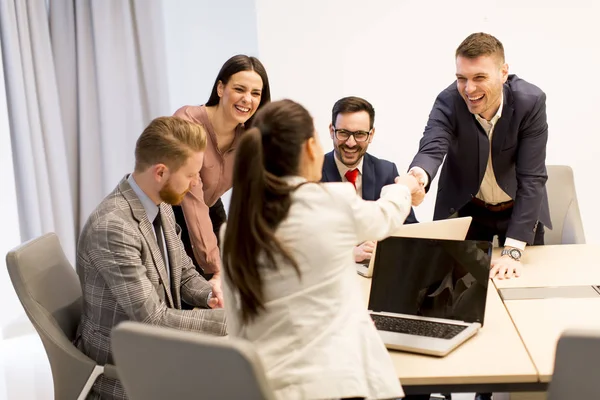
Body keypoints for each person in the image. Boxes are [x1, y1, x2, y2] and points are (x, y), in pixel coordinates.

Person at [221, 99, 423, 400]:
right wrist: (405, 185)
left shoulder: (234, 227)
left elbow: (236, 324)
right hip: (334, 385)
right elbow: (385, 215)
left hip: (264, 386)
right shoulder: (330, 202)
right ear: (311, 148)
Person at [408, 32, 552, 400]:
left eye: (479, 78)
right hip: (468, 211)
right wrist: (417, 176)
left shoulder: (531, 100)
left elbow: (533, 177)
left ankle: (493, 390)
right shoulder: (448, 101)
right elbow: (433, 143)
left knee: (516, 306)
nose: (468, 88)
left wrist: (514, 248)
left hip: (516, 214)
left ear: (504, 72)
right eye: (461, 78)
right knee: (451, 301)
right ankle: (444, 385)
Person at [75, 116, 227, 400]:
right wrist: (231, 322)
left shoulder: (161, 201)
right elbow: (153, 320)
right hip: (125, 369)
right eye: (191, 174)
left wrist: (211, 295)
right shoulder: (113, 227)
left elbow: (184, 274)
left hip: (159, 347)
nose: (197, 183)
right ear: (160, 172)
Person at [172, 54, 271, 307]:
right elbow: (191, 199)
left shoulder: (250, 136)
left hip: (210, 208)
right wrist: (216, 266)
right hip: (171, 212)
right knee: (197, 293)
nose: (247, 99)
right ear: (220, 88)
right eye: (239, 89)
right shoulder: (189, 122)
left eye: (256, 93)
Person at [321, 96, 419, 263]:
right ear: (332, 131)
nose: (351, 143)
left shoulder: (387, 171)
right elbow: (304, 239)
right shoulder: (312, 174)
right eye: (343, 133)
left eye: (360, 134)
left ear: (371, 134)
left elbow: (409, 232)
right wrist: (348, 253)